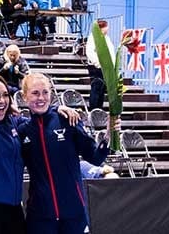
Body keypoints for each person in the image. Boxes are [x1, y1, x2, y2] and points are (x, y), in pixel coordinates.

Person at [0, 37, 80, 234]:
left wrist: (56, 108)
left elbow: (38, 122)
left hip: (14, 210)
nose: (1, 100)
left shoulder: (15, 124)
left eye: (5, 95)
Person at [17, 73, 112, 234]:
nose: (41, 98)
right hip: (40, 215)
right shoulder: (22, 131)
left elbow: (95, 158)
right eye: (35, 93)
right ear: (25, 96)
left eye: (45, 92)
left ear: (51, 94)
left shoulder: (68, 120)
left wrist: (109, 134)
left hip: (74, 213)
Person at [85, 20, 114, 110]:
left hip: (106, 66)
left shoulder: (106, 38)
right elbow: (90, 52)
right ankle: (93, 109)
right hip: (97, 67)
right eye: (106, 27)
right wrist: (98, 64)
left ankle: (99, 109)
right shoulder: (93, 38)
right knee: (96, 88)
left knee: (101, 90)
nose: (107, 29)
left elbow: (111, 52)